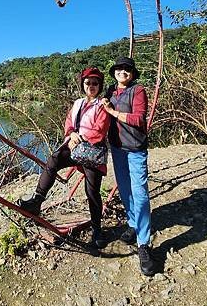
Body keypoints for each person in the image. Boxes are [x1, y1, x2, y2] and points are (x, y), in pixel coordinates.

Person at [17, 67, 111, 249]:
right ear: (83, 84)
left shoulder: (103, 105)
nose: (91, 86)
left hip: (92, 153)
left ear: (100, 86)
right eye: (88, 83)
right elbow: (68, 123)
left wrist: (79, 137)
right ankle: (37, 200)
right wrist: (71, 134)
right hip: (75, 148)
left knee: (92, 191)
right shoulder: (78, 103)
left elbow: (100, 128)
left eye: (95, 83)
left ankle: (97, 229)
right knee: (54, 159)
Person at [102, 56, 156, 276]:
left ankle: (144, 243)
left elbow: (139, 119)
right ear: (114, 72)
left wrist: (113, 112)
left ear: (132, 73)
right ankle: (133, 224)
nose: (122, 72)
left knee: (140, 193)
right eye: (119, 69)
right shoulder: (110, 92)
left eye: (127, 69)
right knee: (125, 190)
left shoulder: (138, 90)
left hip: (135, 149)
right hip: (117, 149)